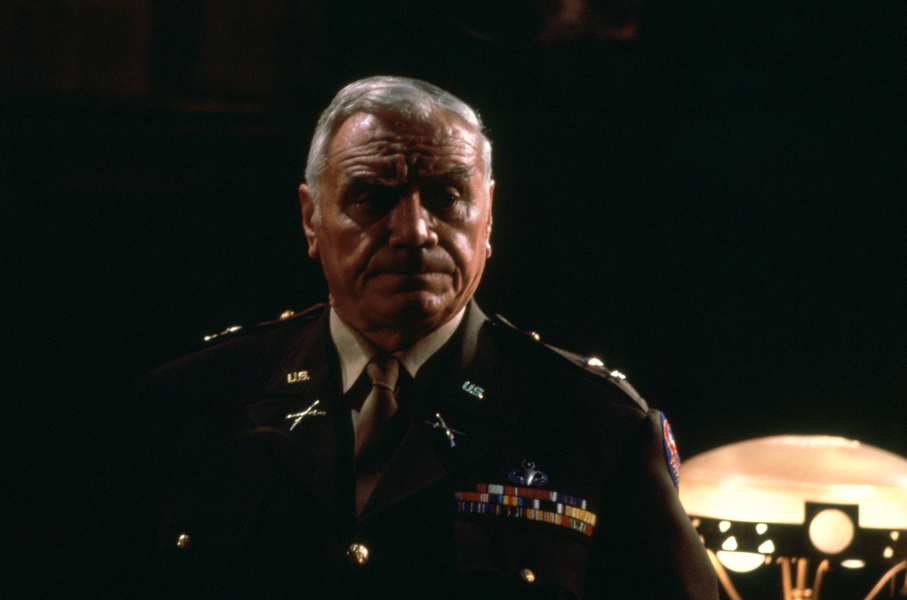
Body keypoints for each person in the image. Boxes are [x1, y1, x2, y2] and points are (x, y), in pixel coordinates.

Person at [144, 76, 718, 599]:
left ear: (488, 217)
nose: (415, 232)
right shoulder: (195, 402)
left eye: (446, 197)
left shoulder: (596, 426)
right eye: (372, 198)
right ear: (310, 218)